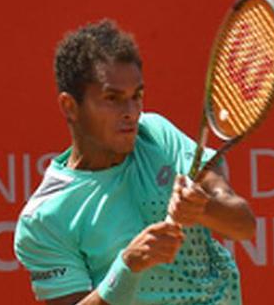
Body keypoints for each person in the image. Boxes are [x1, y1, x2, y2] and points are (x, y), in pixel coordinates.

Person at [14, 19, 256, 305]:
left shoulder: (158, 135)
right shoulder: (45, 218)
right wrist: (127, 268)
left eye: (136, 96)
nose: (131, 112)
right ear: (70, 107)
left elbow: (245, 225)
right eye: (112, 98)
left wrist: (202, 209)